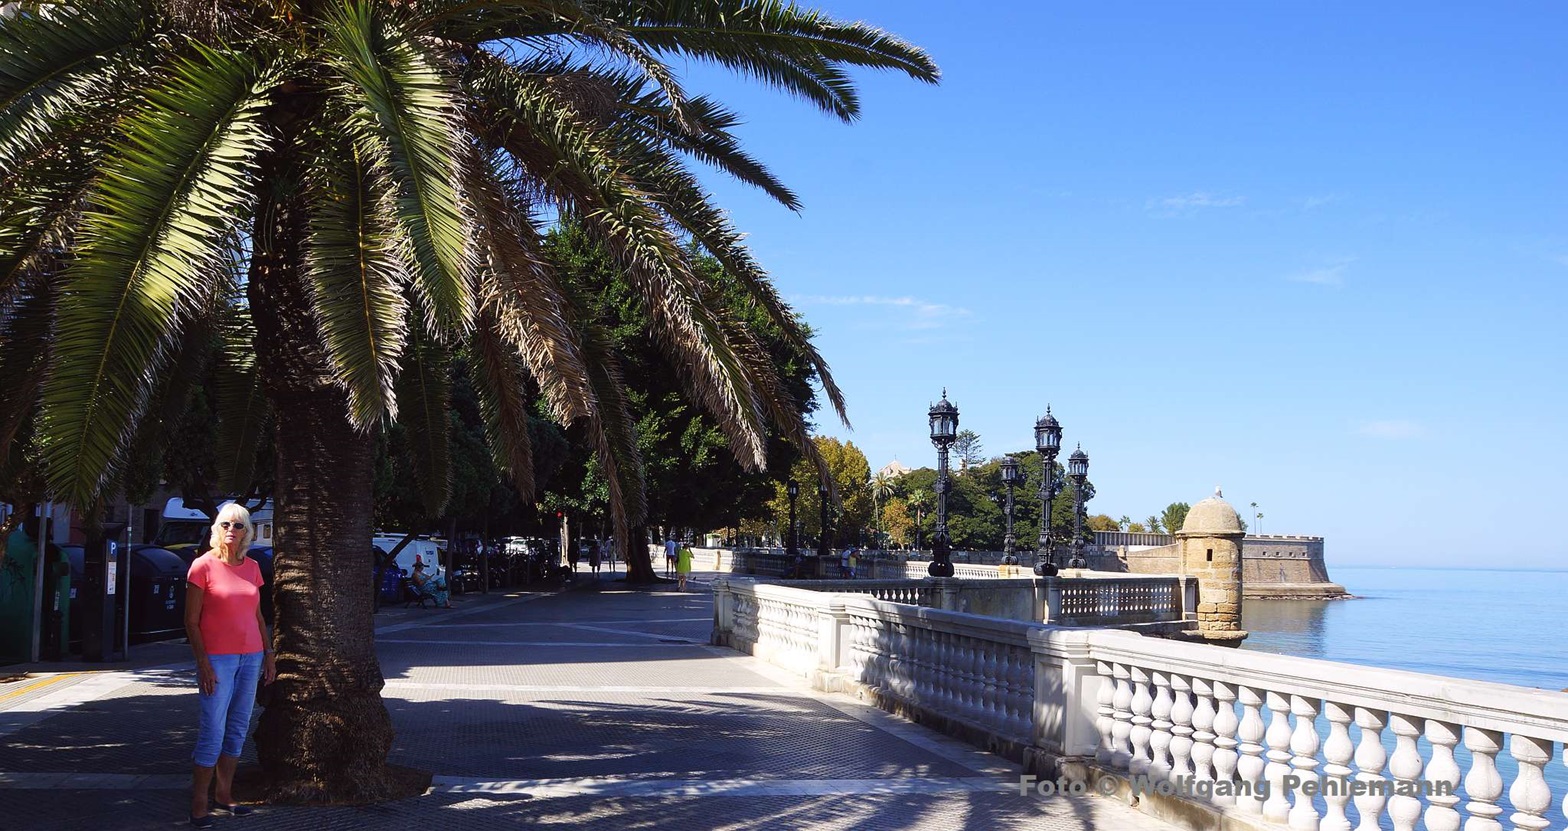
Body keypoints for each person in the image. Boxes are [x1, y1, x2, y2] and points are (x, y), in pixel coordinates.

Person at [184, 504, 274, 828]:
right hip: (217, 660)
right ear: (216, 528)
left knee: (237, 728)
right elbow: (191, 622)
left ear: (247, 531)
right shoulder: (202, 566)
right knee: (213, 729)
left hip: (252, 657)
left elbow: (259, 616)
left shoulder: (252, 567)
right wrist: (203, 663)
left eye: (238, 525)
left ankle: (224, 794)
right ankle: (198, 801)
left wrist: (269, 653)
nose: (231, 531)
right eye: (225, 525)